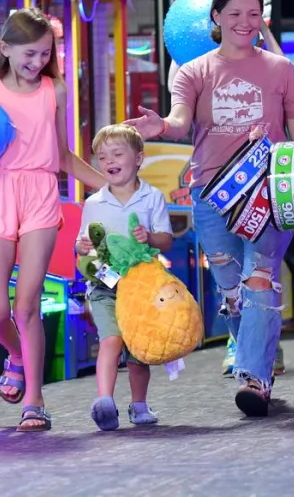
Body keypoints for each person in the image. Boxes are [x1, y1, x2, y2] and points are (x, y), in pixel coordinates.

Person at [126, 0, 294, 417]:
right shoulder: (194, 71)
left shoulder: (281, 69)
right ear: (216, 18)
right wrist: (162, 128)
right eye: (234, 14)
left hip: (266, 192)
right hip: (211, 193)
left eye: (253, 13)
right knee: (230, 292)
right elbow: (178, 120)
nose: (245, 22)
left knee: (260, 278)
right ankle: (250, 346)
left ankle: (254, 379)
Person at [0, 7, 107, 431]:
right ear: (5, 49)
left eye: (46, 54)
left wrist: (112, 187)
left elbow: (64, 154)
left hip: (41, 194)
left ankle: (35, 399)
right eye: (30, 53)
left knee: (26, 304)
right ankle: (14, 354)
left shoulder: (56, 89)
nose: (37, 62)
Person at [75, 124, 174, 431]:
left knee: (137, 349)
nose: (109, 161)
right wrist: (81, 246)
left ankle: (139, 404)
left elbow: (166, 239)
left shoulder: (152, 197)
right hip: (104, 285)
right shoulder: (94, 203)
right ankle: (104, 401)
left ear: (139, 158)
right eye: (102, 157)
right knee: (111, 339)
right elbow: (83, 245)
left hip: (141, 286)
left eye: (117, 154)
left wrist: (149, 238)